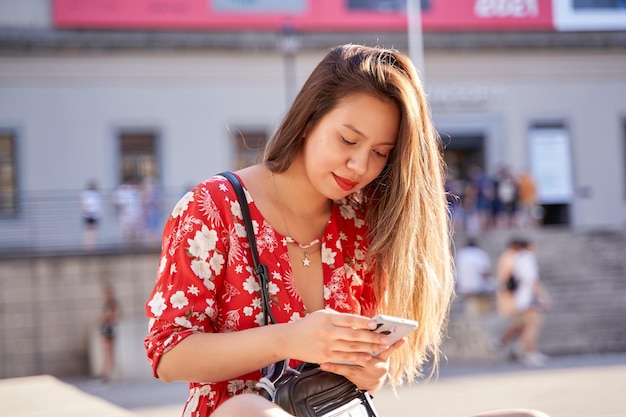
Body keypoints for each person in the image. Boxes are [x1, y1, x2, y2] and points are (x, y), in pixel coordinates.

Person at [144, 44, 549, 417]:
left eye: (379, 154)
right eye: (347, 140)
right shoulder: (213, 206)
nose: (359, 166)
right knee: (250, 411)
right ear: (309, 120)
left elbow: (364, 375)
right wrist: (288, 339)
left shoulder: (362, 222)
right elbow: (167, 355)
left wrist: (369, 371)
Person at [496, 238, 552, 367]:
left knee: (523, 325)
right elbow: (532, 281)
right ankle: (529, 352)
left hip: (521, 299)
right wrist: (542, 298)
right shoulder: (526, 258)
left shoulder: (516, 258)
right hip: (528, 299)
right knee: (533, 326)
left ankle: (516, 347)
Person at [455, 238, 495, 316]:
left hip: (463, 287)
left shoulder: (460, 255)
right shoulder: (480, 254)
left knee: (472, 311)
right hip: (479, 288)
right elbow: (486, 274)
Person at [113, 176, 143, 245]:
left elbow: (140, 200)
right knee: (127, 232)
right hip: (125, 215)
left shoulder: (135, 189)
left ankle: (136, 246)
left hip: (136, 214)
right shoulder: (121, 190)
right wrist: (122, 208)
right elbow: (116, 201)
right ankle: (128, 246)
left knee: (136, 232)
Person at [100, 283, 119, 381]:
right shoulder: (108, 304)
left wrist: (105, 318)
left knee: (109, 352)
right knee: (107, 351)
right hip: (107, 328)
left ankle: (108, 373)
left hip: (109, 329)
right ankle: (106, 372)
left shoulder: (112, 304)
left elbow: (113, 316)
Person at [80, 179, 102, 251]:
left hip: (95, 215)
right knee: (88, 232)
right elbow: (84, 204)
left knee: (94, 232)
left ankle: (93, 247)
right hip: (88, 215)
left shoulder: (96, 194)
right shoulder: (85, 194)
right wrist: (88, 211)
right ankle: (87, 247)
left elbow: (98, 206)